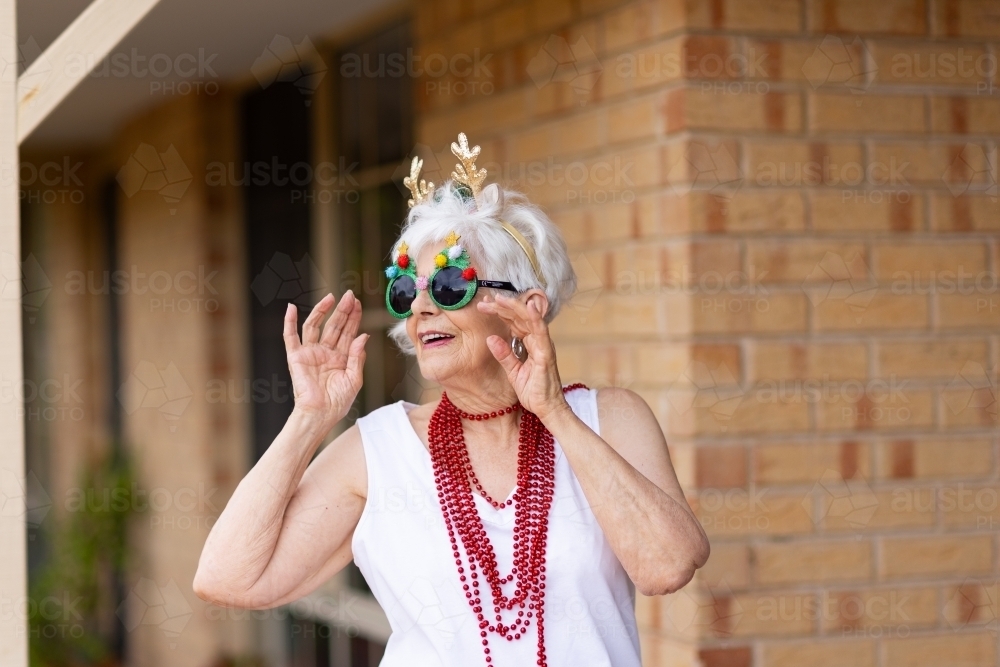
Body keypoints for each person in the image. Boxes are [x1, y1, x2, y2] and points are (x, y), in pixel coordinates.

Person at [194, 134, 710, 667]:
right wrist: (308, 420)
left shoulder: (608, 420)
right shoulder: (376, 453)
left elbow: (667, 567)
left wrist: (555, 414)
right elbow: (228, 578)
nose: (419, 308)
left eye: (447, 284)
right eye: (405, 290)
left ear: (524, 308)